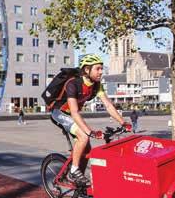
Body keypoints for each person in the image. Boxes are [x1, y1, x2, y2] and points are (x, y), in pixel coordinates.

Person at [50, 54, 131, 187]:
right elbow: (75, 112)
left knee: (87, 150)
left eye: (101, 68)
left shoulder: (96, 85)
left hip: (72, 115)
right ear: (87, 70)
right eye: (98, 69)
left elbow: (108, 105)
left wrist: (123, 122)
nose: (101, 72)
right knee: (83, 136)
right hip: (60, 113)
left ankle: (77, 180)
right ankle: (73, 171)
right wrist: (90, 132)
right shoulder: (73, 84)